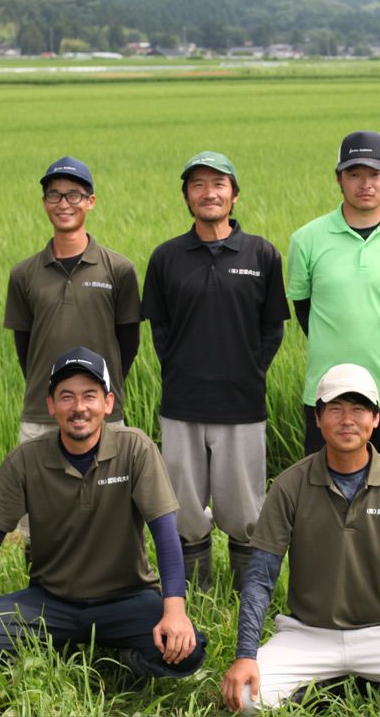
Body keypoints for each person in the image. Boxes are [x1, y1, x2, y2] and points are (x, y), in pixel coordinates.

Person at [221, 364, 380, 713]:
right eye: (335, 409)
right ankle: (345, 682)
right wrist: (245, 655)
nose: (347, 420)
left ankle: (361, 679)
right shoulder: (289, 485)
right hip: (307, 632)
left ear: (375, 418)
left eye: (358, 409)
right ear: (318, 418)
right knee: (244, 698)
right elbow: (260, 576)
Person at [0, 347, 206, 677]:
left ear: (108, 403)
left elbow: (165, 532)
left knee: (188, 650)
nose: (79, 407)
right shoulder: (26, 459)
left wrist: (175, 610)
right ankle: (57, 641)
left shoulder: (135, 448)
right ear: (51, 404)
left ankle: (127, 658)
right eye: (66, 396)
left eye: (90, 396)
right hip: (51, 600)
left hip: (127, 598)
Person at [141, 151, 290, 591]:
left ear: (235, 195)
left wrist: (243, 371)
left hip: (242, 405)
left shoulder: (261, 254)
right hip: (182, 404)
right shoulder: (166, 258)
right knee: (184, 508)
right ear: (187, 197)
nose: (209, 193)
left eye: (219, 184)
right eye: (198, 185)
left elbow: (272, 329)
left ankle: (249, 595)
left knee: (245, 511)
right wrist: (187, 371)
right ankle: (194, 595)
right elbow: (161, 331)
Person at [287, 131, 380, 474]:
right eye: (354, 174)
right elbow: (305, 312)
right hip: (326, 395)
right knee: (322, 499)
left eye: (375, 174)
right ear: (339, 178)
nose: (365, 184)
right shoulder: (307, 239)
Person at [4, 156, 141, 445]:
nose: (63, 203)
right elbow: (25, 348)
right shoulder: (24, 274)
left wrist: (100, 385)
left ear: (90, 201)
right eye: (54, 195)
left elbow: (128, 343)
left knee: (107, 489)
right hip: (41, 414)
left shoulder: (118, 269)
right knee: (40, 489)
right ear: (44, 202)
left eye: (74, 195)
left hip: (104, 412)